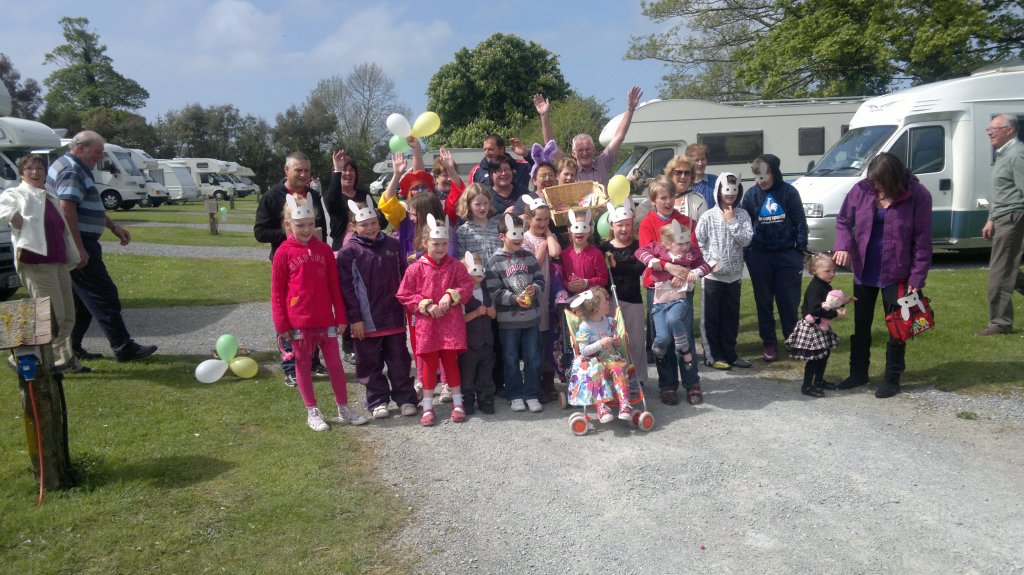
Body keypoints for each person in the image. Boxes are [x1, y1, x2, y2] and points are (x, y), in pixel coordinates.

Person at [47, 131, 157, 363]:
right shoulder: (72, 170)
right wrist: (78, 248)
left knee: (81, 301)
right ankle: (123, 347)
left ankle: (72, 347)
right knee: (104, 295)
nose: (100, 158)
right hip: (79, 242)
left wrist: (113, 226)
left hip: (79, 241)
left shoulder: (75, 167)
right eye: (97, 152)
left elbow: (88, 205)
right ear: (80, 148)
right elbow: (67, 209)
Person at [833, 152, 932, 398]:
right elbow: (843, 220)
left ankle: (891, 379)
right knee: (861, 325)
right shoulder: (861, 190)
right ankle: (858, 373)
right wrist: (842, 246)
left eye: (880, 182)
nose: (875, 186)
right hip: (864, 270)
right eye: (873, 181)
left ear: (893, 179)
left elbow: (923, 240)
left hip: (897, 273)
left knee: (898, 327)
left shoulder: (918, 195)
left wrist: (917, 277)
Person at [271, 194, 368, 431]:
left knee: (335, 365)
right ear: (289, 225)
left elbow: (335, 287)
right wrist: (282, 324)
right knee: (303, 366)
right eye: (300, 226)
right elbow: (277, 292)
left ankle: (343, 407)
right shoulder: (283, 253)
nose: (306, 230)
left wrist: (341, 317)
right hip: (299, 323)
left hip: (326, 321)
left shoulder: (324, 250)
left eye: (310, 224)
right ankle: (312, 411)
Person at [0, 154, 84, 373]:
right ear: (21, 174)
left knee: (67, 315)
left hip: (57, 261)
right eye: (29, 168)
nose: (35, 172)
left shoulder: (48, 196)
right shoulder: (16, 193)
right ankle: (21, 356)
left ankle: (64, 359)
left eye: (39, 168)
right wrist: (13, 215)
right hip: (36, 262)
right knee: (51, 315)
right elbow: (2, 206)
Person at [337, 200, 418, 420]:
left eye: (373, 223)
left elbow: (404, 276)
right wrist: (355, 318)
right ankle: (377, 400)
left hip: (393, 316)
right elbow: (347, 288)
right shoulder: (349, 252)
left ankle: (406, 398)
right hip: (366, 321)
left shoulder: (392, 245)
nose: (370, 228)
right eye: (364, 225)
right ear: (353, 226)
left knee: (399, 361)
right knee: (369, 364)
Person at [254, 151, 328, 386]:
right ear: (286, 170)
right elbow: (259, 232)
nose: (304, 175)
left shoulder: (313, 195)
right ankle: (290, 366)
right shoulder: (272, 196)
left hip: (314, 264)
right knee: (289, 311)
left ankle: (313, 361)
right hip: (286, 263)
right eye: (299, 170)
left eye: (307, 171)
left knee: (313, 311)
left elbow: (321, 229)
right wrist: (288, 233)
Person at [396, 214, 475, 426]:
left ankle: (457, 403)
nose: (441, 248)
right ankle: (428, 407)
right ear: (425, 243)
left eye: (444, 243)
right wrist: (426, 305)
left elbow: (467, 285)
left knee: (451, 363)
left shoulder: (456, 266)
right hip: (427, 325)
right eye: (436, 244)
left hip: (451, 324)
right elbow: (404, 294)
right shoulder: (415, 268)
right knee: (430, 366)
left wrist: (451, 295)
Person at [739, 154, 808, 363]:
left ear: (774, 172)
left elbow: (800, 222)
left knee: (788, 301)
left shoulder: (789, 192)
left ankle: (792, 340)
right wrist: (747, 253)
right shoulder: (751, 195)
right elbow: (744, 225)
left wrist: (800, 250)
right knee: (764, 302)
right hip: (759, 256)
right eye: (757, 175)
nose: (761, 179)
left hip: (787, 255)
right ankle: (769, 342)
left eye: (765, 174)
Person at [637, 176, 699, 405]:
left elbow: (693, 253)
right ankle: (668, 384)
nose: (667, 201)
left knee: (684, 335)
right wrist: (669, 267)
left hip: (682, 286)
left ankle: (692, 382)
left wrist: (681, 273)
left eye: (671, 196)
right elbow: (646, 254)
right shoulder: (647, 223)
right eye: (662, 197)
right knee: (663, 337)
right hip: (657, 287)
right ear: (653, 200)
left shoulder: (685, 221)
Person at [485, 214, 545, 413]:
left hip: (531, 319)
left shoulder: (529, 257)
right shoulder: (494, 261)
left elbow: (540, 280)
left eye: (521, 233)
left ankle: (532, 394)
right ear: (502, 236)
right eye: (514, 234)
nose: (519, 238)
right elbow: (493, 291)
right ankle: (515, 394)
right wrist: (513, 298)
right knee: (510, 359)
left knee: (533, 358)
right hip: (508, 321)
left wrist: (535, 289)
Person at [695, 173, 753, 370]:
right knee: (711, 318)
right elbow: (699, 241)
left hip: (734, 276)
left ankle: (730, 354)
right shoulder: (708, 216)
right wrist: (709, 262)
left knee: (731, 318)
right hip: (713, 277)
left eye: (734, 190)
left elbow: (746, 240)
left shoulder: (743, 215)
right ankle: (713, 356)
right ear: (718, 191)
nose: (730, 194)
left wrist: (732, 221)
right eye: (726, 190)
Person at [535, 86, 643, 186]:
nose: (585, 153)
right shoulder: (568, 167)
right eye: (580, 150)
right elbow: (550, 144)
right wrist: (544, 115)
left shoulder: (603, 162)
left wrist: (630, 108)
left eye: (587, 149)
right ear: (574, 153)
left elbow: (619, 136)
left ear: (594, 150)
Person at [977, 114, 1024, 336]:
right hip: (1004, 217)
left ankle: (1000, 323)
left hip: (1013, 218)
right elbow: (1002, 192)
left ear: (1009, 130)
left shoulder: (1017, 154)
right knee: (1007, 269)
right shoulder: (1005, 154)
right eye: (988, 129)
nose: (989, 132)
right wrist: (991, 218)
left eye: (994, 128)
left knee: (1000, 271)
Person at [600, 197, 647, 388]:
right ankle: (615, 377)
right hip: (611, 300)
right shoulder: (604, 248)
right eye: (620, 225)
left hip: (633, 299)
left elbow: (638, 269)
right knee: (614, 340)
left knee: (635, 340)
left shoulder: (638, 246)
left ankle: (637, 378)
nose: (624, 229)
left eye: (627, 224)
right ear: (611, 225)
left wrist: (616, 265)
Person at [785, 253, 848, 397]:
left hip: (820, 326)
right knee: (815, 357)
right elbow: (815, 309)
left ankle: (819, 380)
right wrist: (835, 314)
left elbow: (830, 302)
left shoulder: (824, 285)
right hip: (812, 327)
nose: (832, 274)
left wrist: (844, 302)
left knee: (824, 353)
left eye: (834, 270)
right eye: (827, 271)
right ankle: (807, 386)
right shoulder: (815, 288)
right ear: (814, 271)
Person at [567, 287, 632, 423]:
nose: (608, 302)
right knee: (596, 371)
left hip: (610, 357)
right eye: (605, 301)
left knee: (619, 368)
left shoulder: (609, 322)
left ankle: (624, 404)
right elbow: (583, 350)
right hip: (592, 361)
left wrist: (617, 341)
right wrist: (600, 343)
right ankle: (601, 407)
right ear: (596, 309)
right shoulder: (585, 327)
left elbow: (614, 338)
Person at [521, 195, 562, 400]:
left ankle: (548, 382)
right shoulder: (525, 239)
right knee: (533, 345)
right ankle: (534, 383)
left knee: (547, 341)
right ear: (529, 218)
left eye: (546, 219)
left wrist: (548, 234)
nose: (542, 223)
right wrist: (543, 245)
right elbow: (532, 266)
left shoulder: (547, 236)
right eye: (538, 219)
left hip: (546, 297)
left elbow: (555, 252)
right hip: (532, 297)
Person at [458, 252, 497, 415]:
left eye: (480, 266)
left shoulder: (487, 291)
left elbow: (494, 314)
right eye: (474, 267)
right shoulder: (463, 295)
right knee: (467, 375)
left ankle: (485, 399)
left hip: (487, 342)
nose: (478, 270)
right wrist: (476, 313)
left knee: (485, 374)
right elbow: (459, 320)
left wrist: (492, 313)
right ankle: (467, 400)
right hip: (469, 344)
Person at [561, 209, 609, 296]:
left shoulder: (596, 254)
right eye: (576, 227)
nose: (580, 232)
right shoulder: (564, 254)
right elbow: (561, 278)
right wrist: (568, 285)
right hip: (573, 299)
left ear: (589, 231)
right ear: (569, 230)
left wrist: (586, 283)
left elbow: (603, 279)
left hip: (592, 299)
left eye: (584, 227)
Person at [688, 143, 717, 209]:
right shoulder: (685, 184)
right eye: (696, 160)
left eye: (703, 159)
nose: (700, 163)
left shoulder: (715, 181)